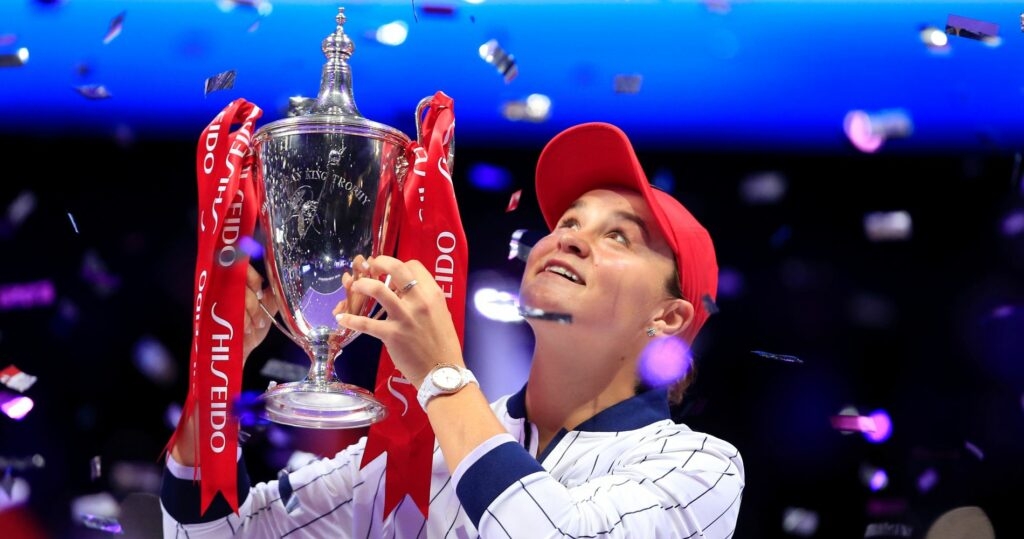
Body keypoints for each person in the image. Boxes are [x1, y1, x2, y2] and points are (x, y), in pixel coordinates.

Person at [161, 121, 745, 537]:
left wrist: (442, 374)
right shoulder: (421, 451)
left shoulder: (698, 467)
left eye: (618, 235)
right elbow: (213, 532)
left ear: (667, 319)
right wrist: (215, 374)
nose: (568, 237)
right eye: (568, 221)